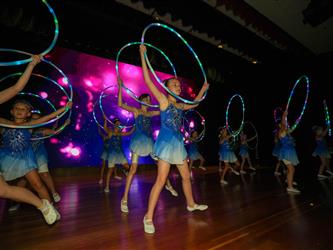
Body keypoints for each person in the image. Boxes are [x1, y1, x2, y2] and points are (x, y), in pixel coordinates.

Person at [139, 44, 208, 234]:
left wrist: (202, 89)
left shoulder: (180, 105)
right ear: (167, 88)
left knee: (186, 177)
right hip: (166, 144)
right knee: (161, 180)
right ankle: (148, 216)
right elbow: (147, 79)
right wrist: (142, 56)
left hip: (178, 145)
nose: (179, 86)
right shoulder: (163, 101)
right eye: (175, 84)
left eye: (180, 84)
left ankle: (191, 204)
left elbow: (194, 104)